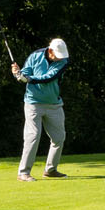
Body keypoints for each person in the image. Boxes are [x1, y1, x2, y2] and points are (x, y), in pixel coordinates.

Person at [10, 36, 71, 181]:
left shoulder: (63, 61)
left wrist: (28, 79)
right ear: (50, 51)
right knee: (33, 136)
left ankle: (51, 169)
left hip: (53, 104)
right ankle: (23, 173)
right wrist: (18, 74)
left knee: (59, 138)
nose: (59, 59)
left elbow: (48, 77)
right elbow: (26, 73)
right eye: (57, 56)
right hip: (33, 103)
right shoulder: (35, 56)